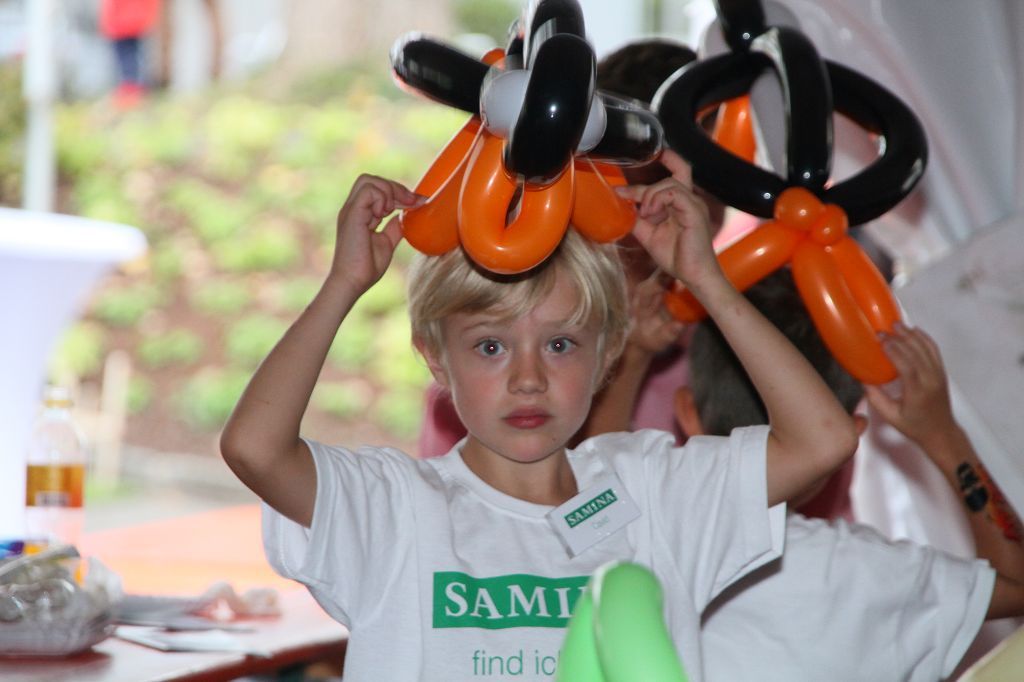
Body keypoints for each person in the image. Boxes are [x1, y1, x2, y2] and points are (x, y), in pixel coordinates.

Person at [219, 156, 860, 681]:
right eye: (489, 347)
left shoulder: (654, 492)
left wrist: (705, 279)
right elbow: (254, 449)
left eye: (560, 344)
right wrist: (343, 283)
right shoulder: (395, 507)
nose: (528, 379)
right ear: (436, 358)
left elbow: (823, 440)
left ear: (608, 353)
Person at [674, 270, 1024, 681]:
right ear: (850, 438)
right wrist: (943, 435)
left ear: (686, 413)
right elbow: (1017, 584)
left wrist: (636, 355)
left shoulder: (650, 519)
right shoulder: (867, 573)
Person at [99, 0, 162, 109]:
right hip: (136, 22)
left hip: (122, 24)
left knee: (127, 59)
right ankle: (134, 93)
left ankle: (130, 95)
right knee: (134, 58)